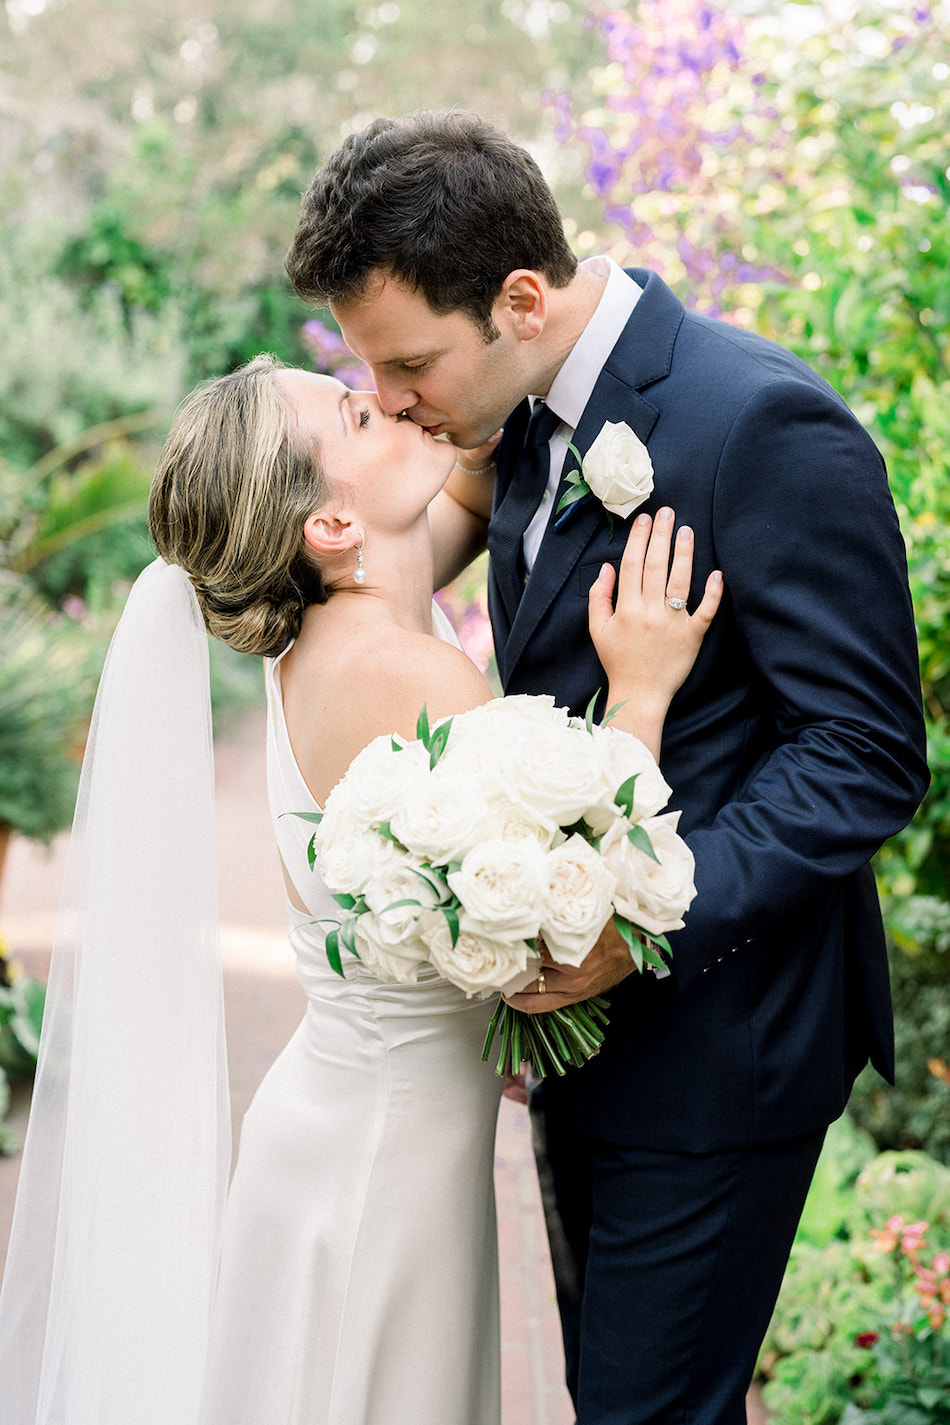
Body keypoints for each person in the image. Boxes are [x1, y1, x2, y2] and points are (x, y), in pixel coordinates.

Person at [284, 109, 931, 1423]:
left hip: (714, 1042)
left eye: (407, 362)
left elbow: (864, 754)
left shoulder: (762, 429)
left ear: (521, 297)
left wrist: (634, 927)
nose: (396, 399)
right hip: (576, 1047)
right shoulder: (512, 412)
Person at [0, 352, 721, 1425]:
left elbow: (444, 506)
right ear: (330, 528)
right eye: (353, 410)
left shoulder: (330, 624)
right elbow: (571, 905)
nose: (384, 396)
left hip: (345, 1127)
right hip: (382, 1162)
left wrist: (488, 392)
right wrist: (643, 690)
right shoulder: (407, 673)